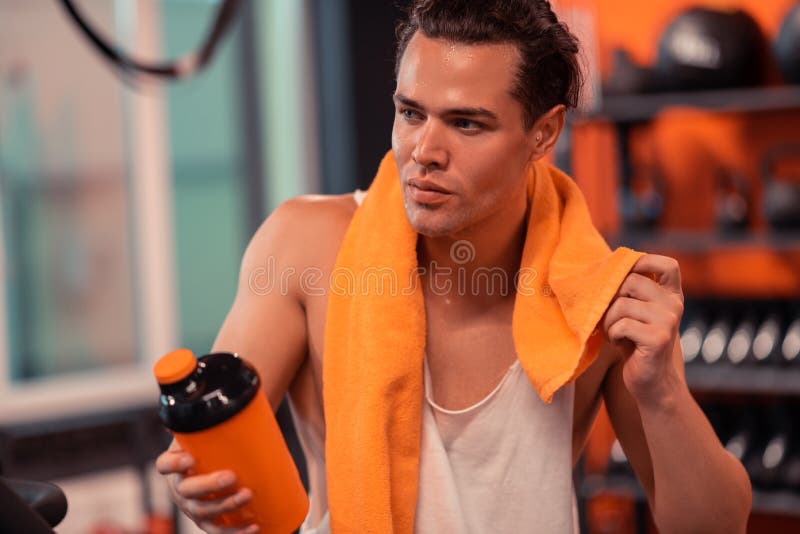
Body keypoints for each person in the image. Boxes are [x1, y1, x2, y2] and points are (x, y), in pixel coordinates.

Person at [156, 1, 752, 533]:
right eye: (411, 113)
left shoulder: (597, 296)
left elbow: (715, 525)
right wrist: (207, 489)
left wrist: (664, 391)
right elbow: (219, 439)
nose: (424, 152)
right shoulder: (305, 248)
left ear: (543, 133)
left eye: (466, 123)